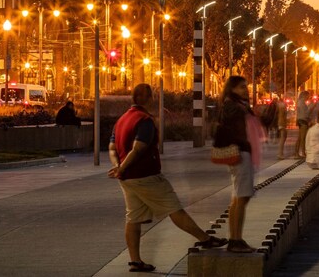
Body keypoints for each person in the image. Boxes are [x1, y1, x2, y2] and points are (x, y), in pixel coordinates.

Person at [109, 83, 225, 273]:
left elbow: (112, 147)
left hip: (127, 179)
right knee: (174, 208)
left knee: (134, 217)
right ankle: (205, 239)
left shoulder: (121, 120)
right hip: (146, 176)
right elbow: (139, 148)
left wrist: (117, 167)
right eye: (152, 96)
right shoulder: (144, 120)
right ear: (148, 98)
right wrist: (122, 167)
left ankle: (135, 261)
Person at [214, 76, 262, 253]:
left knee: (238, 197)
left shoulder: (234, 105)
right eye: (242, 87)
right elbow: (236, 129)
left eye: (246, 87)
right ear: (232, 88)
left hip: (241, 153)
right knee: (242, 197)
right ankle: (235, 240)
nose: (246, 90)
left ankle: (235, 238)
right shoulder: (234, 107)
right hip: (240, 154)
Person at [295, 89, 311, 159]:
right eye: (308, 96)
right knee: (302, 138)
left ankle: (297, 153)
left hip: (300, 120)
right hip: (303, 121)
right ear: (304, 95)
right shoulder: (302, 103)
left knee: (300, 138)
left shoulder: (300, 102)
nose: (308, 97)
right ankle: (302, 153)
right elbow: (304, 113)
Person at [275, 94, 289, 159]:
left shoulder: (280, 107)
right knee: (282, 138)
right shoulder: (282, 108)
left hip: (281, 123)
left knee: (283, 138)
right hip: (281, 124)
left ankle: (280, 153)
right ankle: (280, 154)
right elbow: (283, 117)